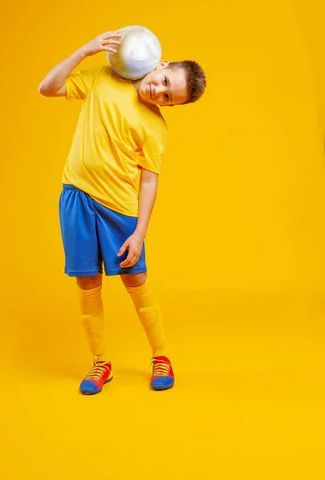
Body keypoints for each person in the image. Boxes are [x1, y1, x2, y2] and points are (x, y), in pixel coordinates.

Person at [39, 31, 206, 395]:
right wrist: (84, 50)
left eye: (168, 97)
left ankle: (161, 355)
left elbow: (149, 182)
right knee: (87, 283)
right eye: (164, 81)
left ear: (171, 106)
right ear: (160, 64)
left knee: (135, 281)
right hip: (76, 198)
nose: (158, 92)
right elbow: (47, 88)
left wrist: (140, 232)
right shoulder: (104, 76)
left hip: (120, 209)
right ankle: (100, 363)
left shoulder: (154, 126)